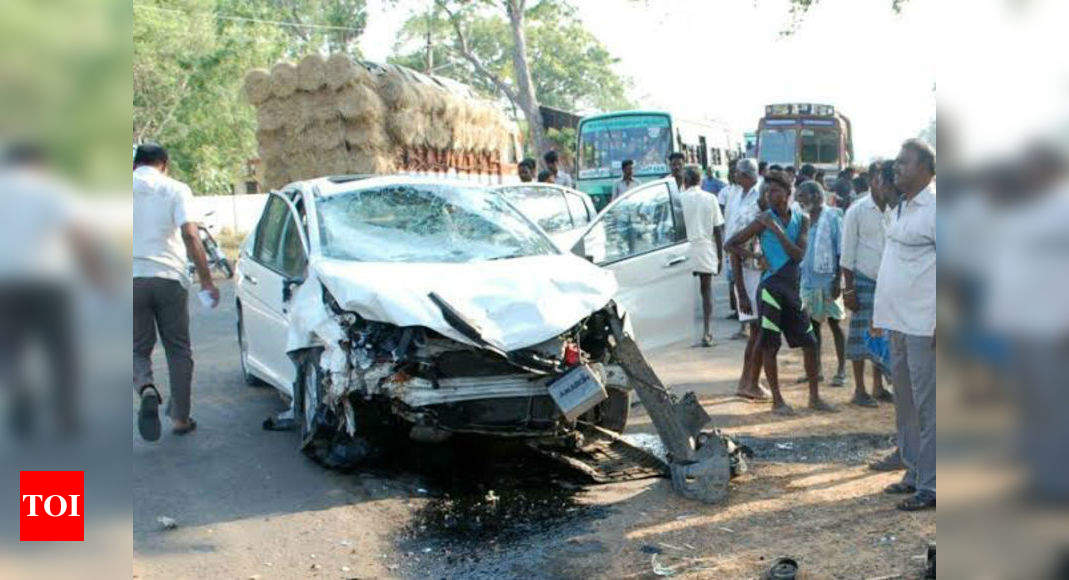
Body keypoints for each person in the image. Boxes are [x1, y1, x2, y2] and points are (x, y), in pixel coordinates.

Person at [727, 170, 838, 415]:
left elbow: (798, 255)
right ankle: (778, 400)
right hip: (770, 289)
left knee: (809, 343)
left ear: (788, 194)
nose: (769, 194)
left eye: (775, 190)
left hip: (792, 288)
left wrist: (775, 230)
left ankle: (814, 397)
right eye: (768, 190)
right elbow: (730, 244)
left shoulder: (802, 219)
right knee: (770, 345)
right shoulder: (762, 219)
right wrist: (756, 256)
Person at [133, 143, 219, 441]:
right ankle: (180, 417)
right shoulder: (175, 189)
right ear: (164, 164)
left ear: (135, 165)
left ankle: (145, 387)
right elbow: (190, 234)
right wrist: (207, 280)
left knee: (135, 349)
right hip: (170, 277)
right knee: (178, 348)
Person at [873, 138, 936, 511]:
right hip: (898, 321)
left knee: (929, 406)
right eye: (895, 162)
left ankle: (932, 485)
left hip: (925, 324)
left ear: (927, 168)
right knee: (906, 404)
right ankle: (914, 473)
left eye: (904, 163)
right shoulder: (901, 208)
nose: (896, 168)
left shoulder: (937, 209)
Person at [842, 161, 897, 410]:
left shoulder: (896, 209)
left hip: (889, 282)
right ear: (871, 181)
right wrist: (848, 289)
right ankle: (859, 389)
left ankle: (878, 387)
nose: (881, 184)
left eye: (885, 179)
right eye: (877, 179)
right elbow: (846, 254)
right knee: (859, 336)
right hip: (863, 280)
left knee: (881, 335)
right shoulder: (857, 210)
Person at [724, 158, 770, 399]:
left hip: (753, 276)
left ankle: (748, 381)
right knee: (759, 333)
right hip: (749, 277)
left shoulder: (757, 208)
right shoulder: (751, 214)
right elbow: (732, 247)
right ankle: (750, 382)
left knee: (756, 333)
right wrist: (741, 291)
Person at [795, 181, 847, 388]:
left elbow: (841, 250)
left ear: (816, 196)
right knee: (812, 326)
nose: (800, 202)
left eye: (803, 197)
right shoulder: (802, 219)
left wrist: (838, 281)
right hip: (808, 281)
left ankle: (841, 370)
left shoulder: (833, 216)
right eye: (798, 198)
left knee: (835, 324)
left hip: (828, 280)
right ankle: (815, 370)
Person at [679, 167, 725, 347]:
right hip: (705, 248)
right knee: (706, 292)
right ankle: (707, 332)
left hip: (684, 250)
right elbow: (718, 230)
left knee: (681, 293)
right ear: (700, 181)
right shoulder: (711, 198)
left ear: (685, 181)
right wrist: (720, 257)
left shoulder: (679, 199)